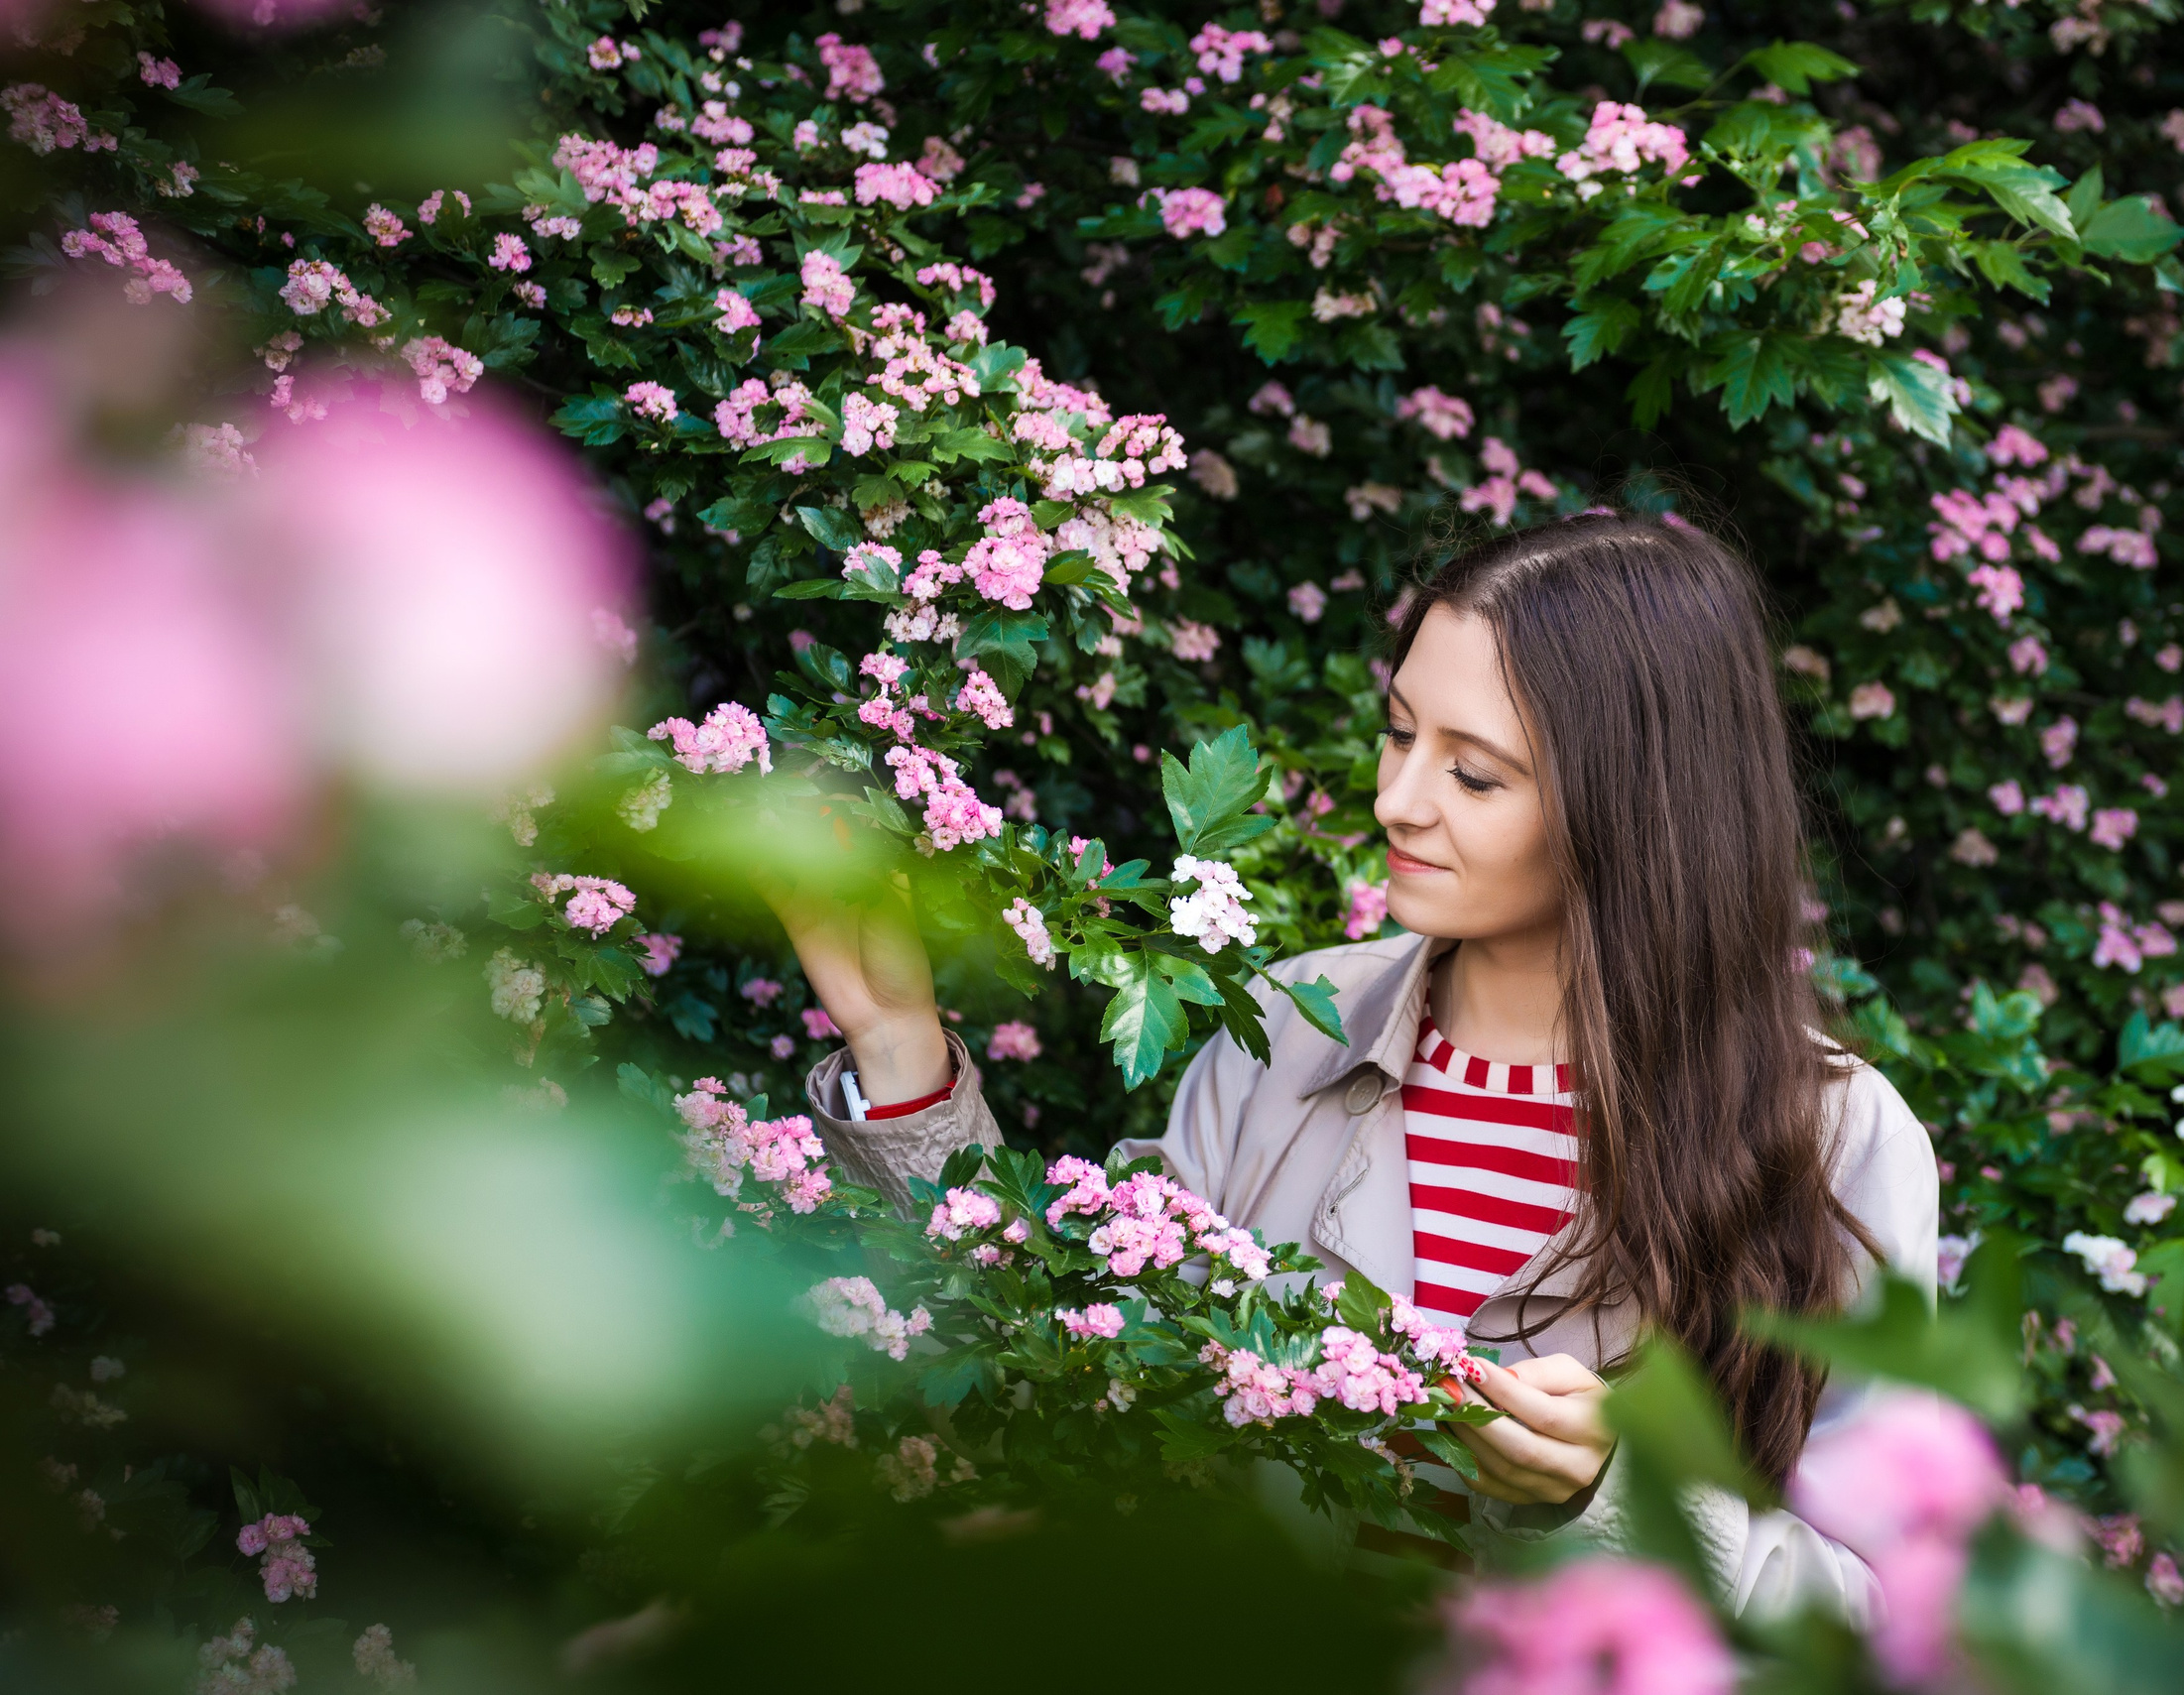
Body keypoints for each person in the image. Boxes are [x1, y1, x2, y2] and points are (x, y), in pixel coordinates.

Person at [765, 512, 1936, 1620]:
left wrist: (1614, 1499)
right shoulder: (1287, 1027)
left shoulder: (1836, 1139)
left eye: (1474, 774)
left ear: (1641, 804)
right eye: (1397, 731)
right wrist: (898, 1051)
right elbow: (1067, 1385)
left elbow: (1892, 1625)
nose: (1396, 799)